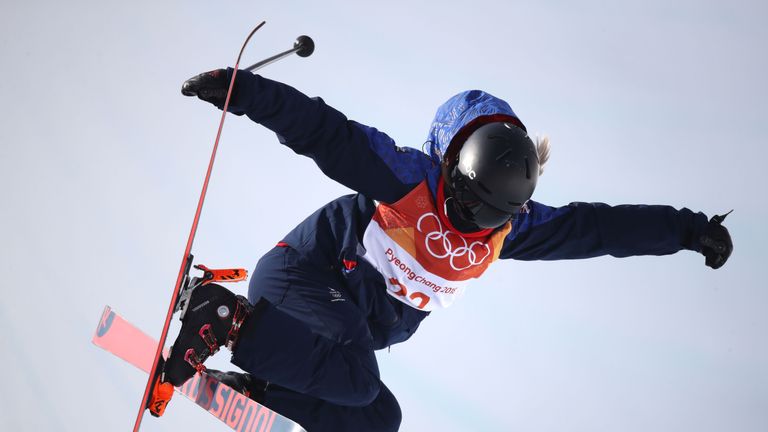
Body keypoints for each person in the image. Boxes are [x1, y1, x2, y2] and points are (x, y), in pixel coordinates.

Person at [149, 68, 733, 431]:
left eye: (487, 217)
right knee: (356, 375)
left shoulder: (508, 232)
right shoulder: (407, 177)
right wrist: (245, 91)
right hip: (301, 278)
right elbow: (326, 133)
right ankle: (227, 318)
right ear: (452, 169)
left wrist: (687, 230)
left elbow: (597, 229)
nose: (469, 225)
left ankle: (256, 392)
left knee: (380, 418)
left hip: (328, 329)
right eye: (465, 205)